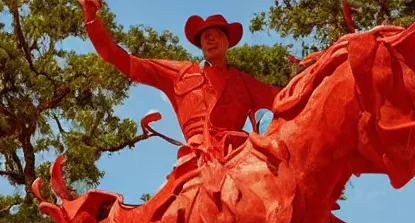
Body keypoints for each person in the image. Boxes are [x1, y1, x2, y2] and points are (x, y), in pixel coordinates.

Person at [78, 4, 279, 160]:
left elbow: (285, 98)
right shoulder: (179, 73)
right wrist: (91, 18)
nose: (210, 39)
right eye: (205, 36)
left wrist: (310, 71)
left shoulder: (244, 83)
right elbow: (117, 57)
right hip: (195, 159)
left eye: (217, 34)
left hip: (237, 155)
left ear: (228, 42)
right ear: (200, 44)